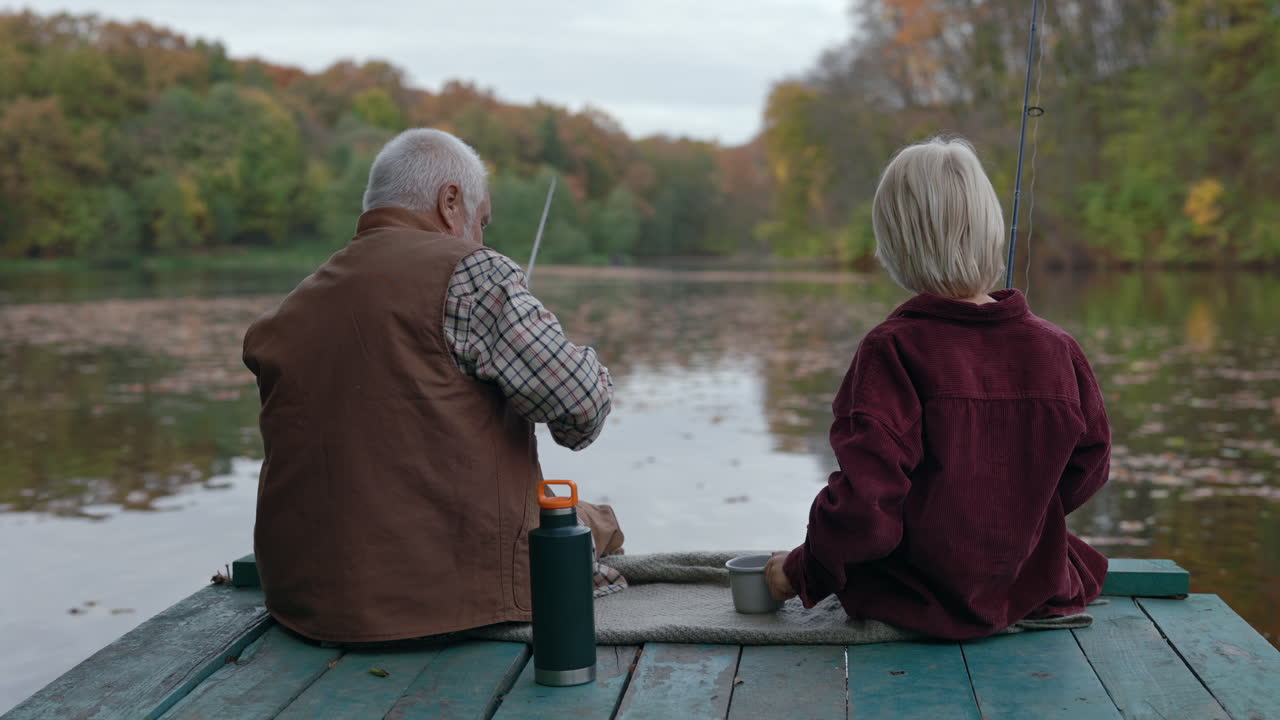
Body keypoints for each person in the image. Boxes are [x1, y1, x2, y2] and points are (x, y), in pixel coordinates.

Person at [242, 128, 625, 645]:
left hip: (304, 610)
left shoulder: (287, 312)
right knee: (598, 523)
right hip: (447, 607)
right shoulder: (472, 272)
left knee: (582, 518)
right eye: (481, 221)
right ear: (450, 202)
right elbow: (582, 411)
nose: (483, 239)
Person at [763, 137, 1111, 639]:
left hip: (914, 600)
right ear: (991, 229)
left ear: (895, 243)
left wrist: (796, 572)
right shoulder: (1059, 349)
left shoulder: (891, 351)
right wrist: (1021, 514)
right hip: (1031, 590)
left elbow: (867, 509)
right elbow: (1089, 467)